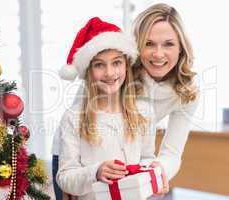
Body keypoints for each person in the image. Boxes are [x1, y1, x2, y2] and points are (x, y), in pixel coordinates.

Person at [55, 17, 160, 200]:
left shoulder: (144, 112)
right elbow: (65, 177)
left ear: (126, 65)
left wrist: (152, 170)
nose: (110, 73)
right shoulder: (74, 117)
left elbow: (147, 157)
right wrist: (95, 172)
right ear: (88, 71)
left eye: (116, 62)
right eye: (99, 65)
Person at [131, 3, 199, 191]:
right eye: (149, 43)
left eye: (168, 44)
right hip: (77, 160)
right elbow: (77, 122)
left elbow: (172, 152)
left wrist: (160, 170)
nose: (158, 54)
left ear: (180, 48)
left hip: (128, 170)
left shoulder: (187, 90)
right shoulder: (116, 70)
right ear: (137, 46)